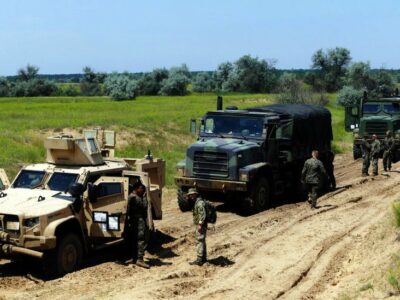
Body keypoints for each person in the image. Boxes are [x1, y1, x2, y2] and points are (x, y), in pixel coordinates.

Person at [128, 182, 150, 269]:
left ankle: (134, 258)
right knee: (141, 239)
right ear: (136, 188)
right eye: (141, 188)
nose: (142, 190)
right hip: (139, 220)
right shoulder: (135, 197)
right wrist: (145, 197)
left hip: (133, 220)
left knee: (134, 239)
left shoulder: (130, 196)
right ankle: (140, 259)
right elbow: (145, 206)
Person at [187, 188, 207, 266]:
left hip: (201, 225)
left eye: (192, 194)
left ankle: (199, 259)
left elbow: (202, 215)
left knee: (199, 240)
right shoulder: (197, 202)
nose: (191, 196)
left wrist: (200, 224)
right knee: (202, 240)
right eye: (190, 195)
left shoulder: (199, 203)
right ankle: (203, 258)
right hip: (201, 224)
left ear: (196, 194)